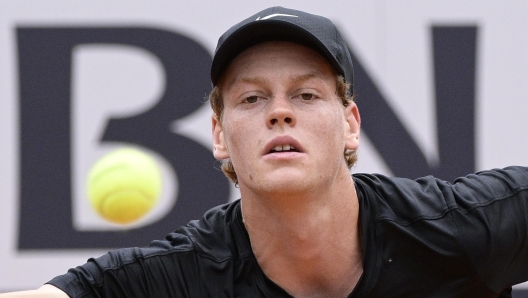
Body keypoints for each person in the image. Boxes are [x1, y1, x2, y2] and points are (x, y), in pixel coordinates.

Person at [2, 6, 528, 298]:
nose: (280, 112)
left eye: (306, 94)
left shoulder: (455, 226)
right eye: (252, 98)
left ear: (350, 125)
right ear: (219, 136)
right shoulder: (186, 275)